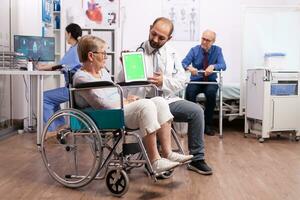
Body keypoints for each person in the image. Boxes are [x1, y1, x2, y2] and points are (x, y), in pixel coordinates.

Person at [73, 35, 193, 174]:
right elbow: (102, 104)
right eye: (104, 53)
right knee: (146, 105)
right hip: (104, 117)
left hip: (116, 110)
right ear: (91, 56)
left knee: (159, 102)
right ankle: (155, 161)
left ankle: (168, 152)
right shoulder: (82, 78)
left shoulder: (102, 72)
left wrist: (127, 98)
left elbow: (113, 94)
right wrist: (126, 101)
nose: (106, 57)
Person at [118, 17, 212, 175]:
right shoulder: (135, 52)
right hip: (143, 101)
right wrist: (124, 67)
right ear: (149, 28)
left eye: (161, 38)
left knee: (196, 111)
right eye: (153, 34)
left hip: (167, 100)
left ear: (169, 38)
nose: (155, 39)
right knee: (150, 110)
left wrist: (164, 82)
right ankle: (154, 160)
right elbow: (121, 83)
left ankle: (197, 159)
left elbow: (182, 80)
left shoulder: (172, 54)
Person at [38, 23, 82, 131]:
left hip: (73, 89)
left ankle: (51, 131)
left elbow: (60, 66)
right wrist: (45, 66)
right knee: (52, 99)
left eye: (66, 34)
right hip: (77, 87)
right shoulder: (78, 48)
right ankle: (60, 127)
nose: (65, 36)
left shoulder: (74, 50)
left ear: (70, 34)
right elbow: (63, 65)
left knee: (44, 97)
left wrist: (41, 68)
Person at [182, 30, 226, 136]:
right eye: (203, 39)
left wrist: (213, 66)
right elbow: (183, 62)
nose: (204, 42)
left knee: (211, 94)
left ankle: (208, 125)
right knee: (190, 93)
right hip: (196, 80)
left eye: (208, 40)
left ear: (213, 41)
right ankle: (193, 124)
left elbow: (223, 65)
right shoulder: (194, 50)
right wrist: (189, 67)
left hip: (210, 81)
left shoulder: (218, 50)